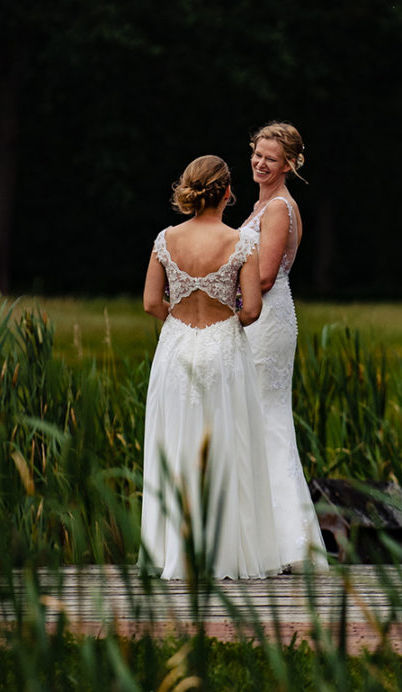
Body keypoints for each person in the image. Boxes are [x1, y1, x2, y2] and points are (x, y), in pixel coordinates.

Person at [139, 155, 287, 580]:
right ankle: (226, 554)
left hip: (176, 347)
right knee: (229, 446)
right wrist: (226, 324)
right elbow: (253, 309)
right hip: (224, 348)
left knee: (174, 443)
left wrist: (179, 323)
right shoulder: (240, 243)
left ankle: (174, 553)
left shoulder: (166, 239)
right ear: (226, 192)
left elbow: (151, 303)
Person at [240, 122, 329, 572]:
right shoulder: (262, 205)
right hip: (259, 317)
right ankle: (268, 539)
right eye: (257, 154)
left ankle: (286, 544)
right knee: (257, 420)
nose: (260, 163)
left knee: (266, 420)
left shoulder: (278, 208)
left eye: (270, 158)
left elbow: (264, 276)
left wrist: (215, 295)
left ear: (289, 164)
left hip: (267, 319)